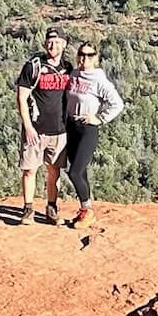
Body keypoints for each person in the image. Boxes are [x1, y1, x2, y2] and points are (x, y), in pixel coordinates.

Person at [14, 29, 73, 224]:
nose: (52, 45)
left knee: (54, 169)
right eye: (49, 42)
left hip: (59, 130)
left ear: (64, 44)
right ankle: (28, 209)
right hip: (36, 130)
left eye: (57, 42)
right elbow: (21, 98)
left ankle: (51, 207)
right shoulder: (34, 66)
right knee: (30, 170)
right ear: (44, 44)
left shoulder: (68, 68)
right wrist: (28, 127)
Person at [63, 41, 123, 226]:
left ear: (95, 58)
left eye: (89, 55)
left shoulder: (99, 80)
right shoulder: (73, 74)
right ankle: (85, 211)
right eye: (82, 54)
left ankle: (87, 211)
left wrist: (99, 118)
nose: (84, 58)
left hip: (87, 129)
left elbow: (117, 104)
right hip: (71, 127)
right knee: (80, 173)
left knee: (74, 172)